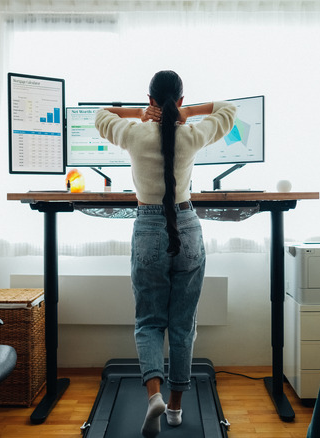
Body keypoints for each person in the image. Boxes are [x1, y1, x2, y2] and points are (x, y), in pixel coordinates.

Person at [95, 70, 236, 437]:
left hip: (148, 229)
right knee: (182, 326)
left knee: (148, 322)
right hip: (187, 228)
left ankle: (153, 395)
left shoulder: (134, 134)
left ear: (150, 100)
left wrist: (142, 115)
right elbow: (228, 110)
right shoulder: (190, 135)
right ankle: (175, 408)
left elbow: (101, 114)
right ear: (181, 100)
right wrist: (184, 114)